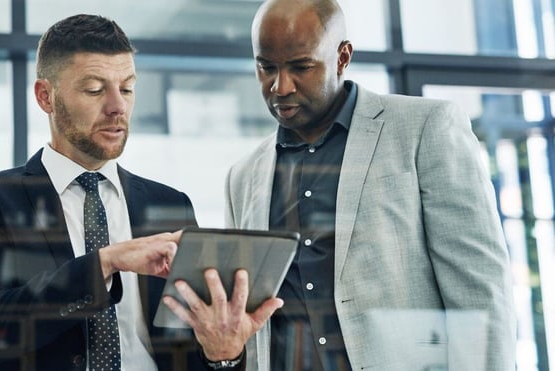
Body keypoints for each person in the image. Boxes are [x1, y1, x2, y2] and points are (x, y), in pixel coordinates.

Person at [162, 0, 517, 370]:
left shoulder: (424, 129)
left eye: (301, 67)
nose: (279, 86)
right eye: (266, 68)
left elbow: (480, 290)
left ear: (342, 57)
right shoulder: (243, 177)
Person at [0, 14, 226, 371]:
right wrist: (103, 265)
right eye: (95, 89)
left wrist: (226, 354)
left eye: (126, 88)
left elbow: (192, 351)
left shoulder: (170, 204)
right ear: (45, 96)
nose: (118, 107)